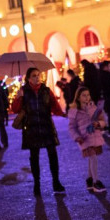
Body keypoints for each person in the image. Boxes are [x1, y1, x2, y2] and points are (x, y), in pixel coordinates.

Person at [12, 67, 67, 195]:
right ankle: (37, 184)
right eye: (34, 76)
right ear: (29, 78)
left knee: (53, 154)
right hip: (31, 127)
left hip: (46, 125)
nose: (37, 78)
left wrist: (63, 114)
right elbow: (15, 109)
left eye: (38, 75)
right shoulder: (23, 91)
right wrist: (19, 97)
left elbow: (54, 106)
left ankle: (56, 182)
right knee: (34, 157)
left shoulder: (46, 90)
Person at [68, 87, 107, 193]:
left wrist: (98, 124)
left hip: (95, 136)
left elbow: (103, 120)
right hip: (84, 138)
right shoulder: (74, 111)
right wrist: (76, 137)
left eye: (88, 95)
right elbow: (72, 127)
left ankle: (89, 180)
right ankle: (96, 181)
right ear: (78, 97)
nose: (87, 97)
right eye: (84, 95)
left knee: (92, 158)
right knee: (93, 157)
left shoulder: (94, 107)